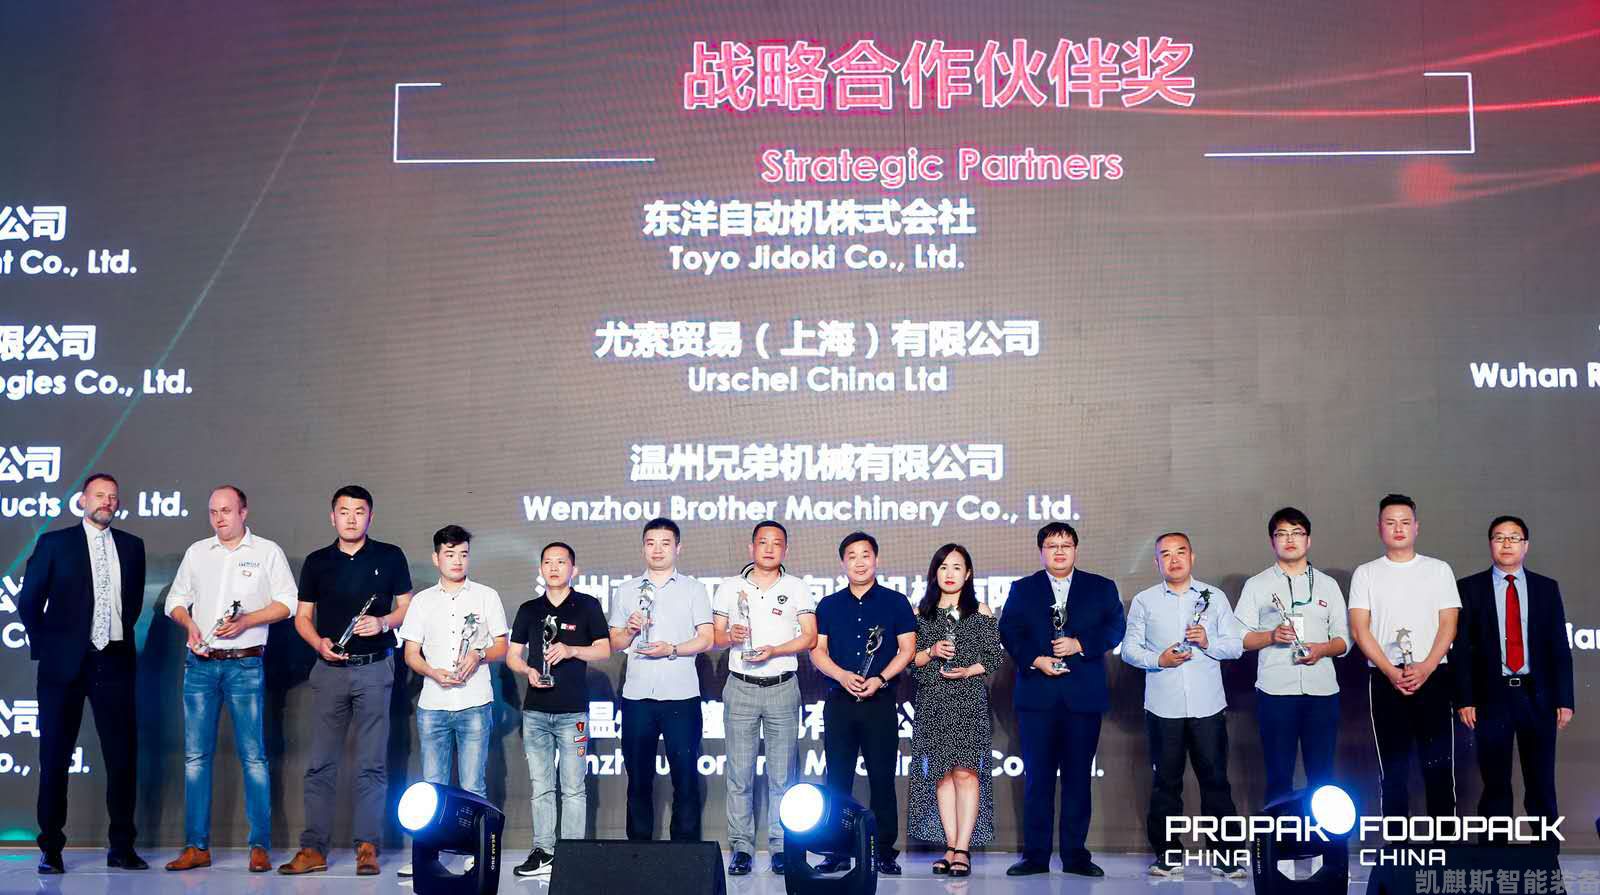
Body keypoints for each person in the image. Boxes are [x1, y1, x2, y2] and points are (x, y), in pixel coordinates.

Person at [17, 473, 147, 874]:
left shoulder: (132, 546)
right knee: (55, 757)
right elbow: (29, 601)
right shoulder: (55, 543)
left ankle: (121, 847)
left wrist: (114, 639)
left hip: (114, 661)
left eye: (113, 496)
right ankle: (51, 848)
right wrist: (50, 647)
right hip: (64, 666)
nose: (107, 501)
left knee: (122, 758)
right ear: (82, 501)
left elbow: (131, 604)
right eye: (99, 495)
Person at [163, 486, 298, 873]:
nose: (219, 518)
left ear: (243, 512)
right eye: (213, 512)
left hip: (245, 665)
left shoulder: (266, 552)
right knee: (195, 758)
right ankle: (196, 846)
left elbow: (288, 603)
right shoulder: (197, 552)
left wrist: (247, 621)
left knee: (253, 757)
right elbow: (175, 600)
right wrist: (189, 624)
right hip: (200, 664)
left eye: (226, 510)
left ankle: (259, 846)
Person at [280, 485, 413, 876]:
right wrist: (318, 643)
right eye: (344, 511)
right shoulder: (317, 561)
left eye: (359, 511)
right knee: (320, 763)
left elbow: (407, 606)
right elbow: (303, 617)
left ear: (370, 516)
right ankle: (313, 849)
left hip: (375, 668)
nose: (351, 518)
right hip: (330, 671)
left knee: (372, 763)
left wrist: (384, 622)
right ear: (332, 517)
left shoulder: (390, 556)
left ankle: (367, 846)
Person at [998, 522, 1125, 878]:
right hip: (1037, 697)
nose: (1059, 551)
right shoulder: (1023, 589)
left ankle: (1075, 855)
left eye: (1065, 545)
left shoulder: (1101, 587)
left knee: (1078, 779)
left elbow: (1115, 628)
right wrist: (1036, 659)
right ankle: (1035, 856)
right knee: (1037, 779)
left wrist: (1079, 644)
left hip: (1083, 697)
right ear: (1041, 551)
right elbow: (1009, 631)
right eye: (1052, 545)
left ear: (1075, 550)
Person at [1121, 532, 1245, 879]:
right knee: (1166, 784)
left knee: (1216, 783)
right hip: (1164, 708)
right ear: (1156, 562)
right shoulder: (1144, 601)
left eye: (1180, 552)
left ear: (1192, 557)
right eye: (1166, 554)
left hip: (1208, 706)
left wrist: (1208, 642)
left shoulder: (1214, 597)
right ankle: (1168, 855)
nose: (1174, 559)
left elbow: (1235, 646)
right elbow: (1129, 650)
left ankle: (1226, 856)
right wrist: (1158, 660)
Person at [395, 525, 508, 878]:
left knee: (474, 785)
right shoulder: (422, 601)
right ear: (436, 558)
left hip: (475, 702)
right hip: (433, 704)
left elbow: (502, 647)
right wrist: (432, 672)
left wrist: (478, 655)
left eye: (463, 554)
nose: (457, 561)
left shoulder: (486, 596)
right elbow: (410, 653)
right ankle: (426, 858)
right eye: (449, 554)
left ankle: (476, 855)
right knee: (432, 787)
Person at [1453, 515, 1574, 834]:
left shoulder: (1546, 588)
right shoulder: (1469, 588)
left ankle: (1546, 853)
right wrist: (1465, 699)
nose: (1506, 544)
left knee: (1541, 781)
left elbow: (1559, 647)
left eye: (1514, 537)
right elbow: (1461, 650)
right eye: (1499, 537)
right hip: (1491, 698)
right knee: (1495, 782)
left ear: (1526, 545)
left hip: (1538, 696)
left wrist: (1565, 699)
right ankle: (1495, 854)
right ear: (1490, 544)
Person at [809, 531, 917, 876]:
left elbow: (907, 649)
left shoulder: (895, 602)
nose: (859, 562)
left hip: (880, 702)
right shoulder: (828, 605)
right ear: (843, 562)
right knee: (837, 779)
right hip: (839, 702)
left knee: (882, 778)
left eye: (865, 555)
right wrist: (841, 675)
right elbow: (817, 651)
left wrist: (880, 679)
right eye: (852, 556)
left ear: (876, 559)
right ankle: (836, 850)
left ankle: (883, 851)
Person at [711, 521, 816, 876]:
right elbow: (715, 638)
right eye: (763, 542)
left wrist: (775, 650)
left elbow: (810, 637)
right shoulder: (730, 588)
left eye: (777, 543)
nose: (769, 548)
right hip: (740, 686)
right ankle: (741, 847)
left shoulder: (797, 587)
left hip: (782, 687)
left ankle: (781, 847)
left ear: (785, 549)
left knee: (782, 776)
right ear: (751, 548)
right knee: (739, 775)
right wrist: (730, 636)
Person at [1348, 493, 1459, 818]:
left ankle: (1445, 839)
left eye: (1405, 522)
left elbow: (1449, 624)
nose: (1398, 529)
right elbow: (1360, 629)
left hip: (1433, 676)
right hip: (1386, 678)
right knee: (1393, 768)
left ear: (1416, 527)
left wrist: (1427, 666)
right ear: (1379, 527)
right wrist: (1390, 671)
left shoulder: (1438, 570)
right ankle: (1397, 841)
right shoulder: (1366, 573)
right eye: (1391, 522)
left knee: (1439, 767)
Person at [506, 541, 610, 877]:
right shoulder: (529, 609)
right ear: (540, 569)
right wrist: (527, 670)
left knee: (574, 787)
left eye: (561, 562)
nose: (554, 567)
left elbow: (604, 649)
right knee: (541, 786)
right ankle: (544, 851)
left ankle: (572, 855)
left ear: (573, 569)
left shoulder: (587, 605)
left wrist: (571, 650)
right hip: (535, 711)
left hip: (572, 713)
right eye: (548, 562)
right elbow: (512, 655)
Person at [607, 518, 713, 842]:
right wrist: (629, 630)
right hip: (638, 697)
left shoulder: (694, 589)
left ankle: (685, 853)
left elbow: (706, 638)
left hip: (681, 696)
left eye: (665, 543)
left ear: (678, 548)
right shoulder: (626, 590)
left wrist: (672, 649)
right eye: (651, 543)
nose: (657, 549)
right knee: (638, 779)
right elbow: (615, 643)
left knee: (685, 777)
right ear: (643, 548)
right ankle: (639, 851)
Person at [1234, 507, 1349, 804]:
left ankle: (1322, 835)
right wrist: (1271, 636)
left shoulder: (1328, 585)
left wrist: (1322, 649)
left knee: (1323, 777)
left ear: (1308, 540)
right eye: (1282, 534)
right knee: (1278, 776)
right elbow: (1239, 638)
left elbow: (1343, 640)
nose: (1290, 540)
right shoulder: (1257, 585)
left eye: (1297, 533)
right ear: (1272, 541)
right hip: (1275, 692)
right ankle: (1279, 835)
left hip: (1321, 692)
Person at [907, 544, 1001, 879]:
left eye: (957, 567)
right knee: (942, 775)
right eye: (943, 567)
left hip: (968, 700)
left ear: (968, 573)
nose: (950, 573)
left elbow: (993, 657)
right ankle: (950, 846)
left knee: (965, 774)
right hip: (933, 701)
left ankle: (963, 848)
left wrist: (967, 671)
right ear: (935, 572)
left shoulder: (980, 611)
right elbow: (910, 662)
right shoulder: (921, 614)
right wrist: (931, 651)